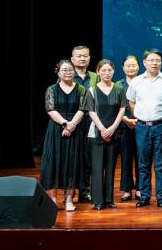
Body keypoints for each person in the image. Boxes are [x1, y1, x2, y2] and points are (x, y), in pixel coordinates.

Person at [126, 49, 162, 208]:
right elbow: (131, 102)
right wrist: (139, 116)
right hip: (142, 127)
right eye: (151, 60)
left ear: (161, 62)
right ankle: (144, 196)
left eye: (157, 60)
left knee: (161, 164)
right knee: (143, 163)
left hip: (161, 126)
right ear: (144, 62)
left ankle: (161, 197)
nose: (154, 63)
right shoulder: (136, 82)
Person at [41, 60, 88, 211]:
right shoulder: (51, 89)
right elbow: (50, 109)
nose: (68, 72)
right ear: (58, 72)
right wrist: (65, 124)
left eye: (70, 70)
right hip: (56, 129)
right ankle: (53, 199)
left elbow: (82, 109)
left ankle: (68, 199)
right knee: (53, 163)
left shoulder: (81, 89)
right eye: (64, 70)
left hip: (75, 129)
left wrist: (71, 125)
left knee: (72, 163)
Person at [84, 59, 127, 210]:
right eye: (103, 70)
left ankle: (109, 199)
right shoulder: (92, 90)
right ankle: (98, 200)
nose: (107, 73)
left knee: (110, 167)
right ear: (98, 72)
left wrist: (113, 128)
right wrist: (103, 129)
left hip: (114, 133)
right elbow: (91, 111)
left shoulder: (119, 90)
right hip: (97, 132)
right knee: (97, 167)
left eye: (109, 70)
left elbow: (122, 110)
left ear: (113, 71)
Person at [70, 46, 98, 203]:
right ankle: (70, 190)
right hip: (73, 121)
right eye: (79, 56)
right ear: (72, 59)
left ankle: (85, 190)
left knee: (88, 157)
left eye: (85, 56)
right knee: (73, 156)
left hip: (91, 120)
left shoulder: (95, 77)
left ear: (89, 58)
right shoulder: (67, 75)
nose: (82, 58)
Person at [115, 55, 141, 202]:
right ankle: (126, 190)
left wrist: (137, 120)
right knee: (125, 159)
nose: (131, 68)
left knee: (141, 158)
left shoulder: (143, 82)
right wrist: (126, 120)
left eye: (133, 65)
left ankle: (140, 188)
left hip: (141, 125)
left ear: (138, 67)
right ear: (123, 68)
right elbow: (115, 106)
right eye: (128, 66)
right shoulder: (118, 85)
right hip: (124, 126)